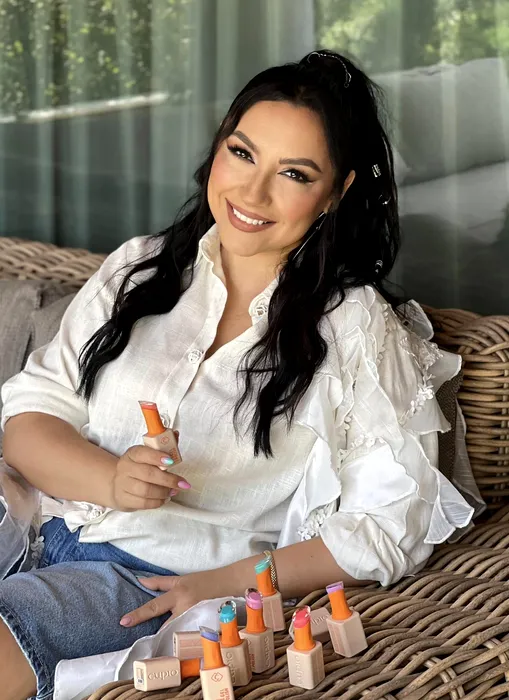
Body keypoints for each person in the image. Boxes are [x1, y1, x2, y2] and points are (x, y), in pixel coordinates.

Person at [0, 50, 474, 700]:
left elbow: (390, 526)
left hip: (146, 580)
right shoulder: (138, 268)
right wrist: (110, 479)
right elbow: (30, 415)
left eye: (294, 173)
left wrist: (228, 585)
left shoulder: (355, 328)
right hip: (24, 514)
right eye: (243, 153)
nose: (252, 194)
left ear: (337, 192)